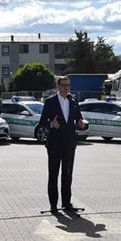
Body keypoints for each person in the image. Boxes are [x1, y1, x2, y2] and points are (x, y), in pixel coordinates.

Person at [38, 76, 86, 212]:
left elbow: (78, 117)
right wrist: (50, 124)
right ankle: (53, 205)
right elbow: (42, 122)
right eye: (64, 85)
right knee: (53, 174)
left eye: (68, 85)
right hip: (54, 144)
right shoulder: (50, 102)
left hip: (70, 143)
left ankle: (66, 203)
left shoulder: (73, 101)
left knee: (67, 174)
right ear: (58, 87)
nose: (66, 88)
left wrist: (81, 122)